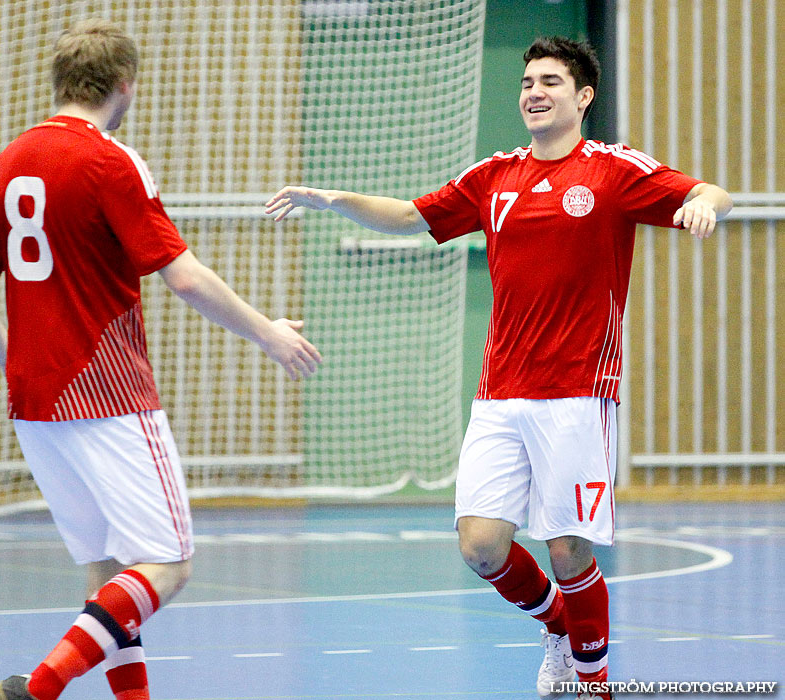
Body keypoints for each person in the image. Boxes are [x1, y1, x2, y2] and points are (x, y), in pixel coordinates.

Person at [265, 36, 730, 700]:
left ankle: (593, 685)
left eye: (549, 82)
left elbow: (712, 190)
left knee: (568, 550)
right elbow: (408, 215)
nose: (533, 93)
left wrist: (704, 206)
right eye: (526, 83)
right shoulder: (494, 177)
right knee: (480, 546)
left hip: (576, 391)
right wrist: (328, 198)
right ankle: (557, 630)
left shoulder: (613, 169)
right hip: (499, 394)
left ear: (582, 96)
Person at [0, 19, 321, 700]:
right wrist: (267, 333)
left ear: (59, 80)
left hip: (34, 400)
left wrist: (12, 359)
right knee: (166, 565)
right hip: (107, 396)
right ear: (125, 85)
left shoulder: (10, 159)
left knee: (110, 578)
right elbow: (183, 277)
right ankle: (37, 691)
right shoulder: (109, 159)